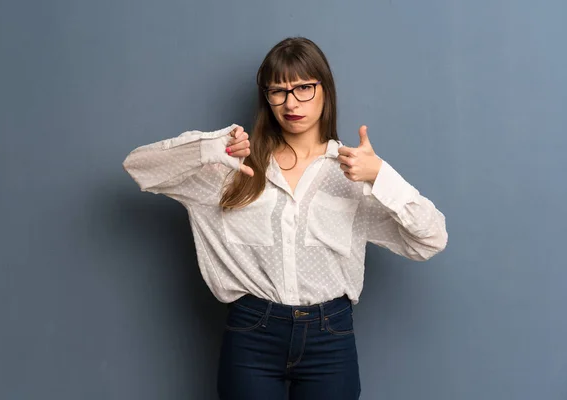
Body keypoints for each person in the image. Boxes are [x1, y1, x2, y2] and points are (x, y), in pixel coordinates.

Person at [122, 36, 447, 400]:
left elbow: (431, 240)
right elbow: (138, 168)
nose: (291, 103)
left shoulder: (355, 173)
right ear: (267, 97)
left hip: (331, 337)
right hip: (252, 335)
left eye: (304, 88)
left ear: (325, 90)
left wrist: (381, 176)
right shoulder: (232, 166)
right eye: (278, 91)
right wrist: (211, 149)